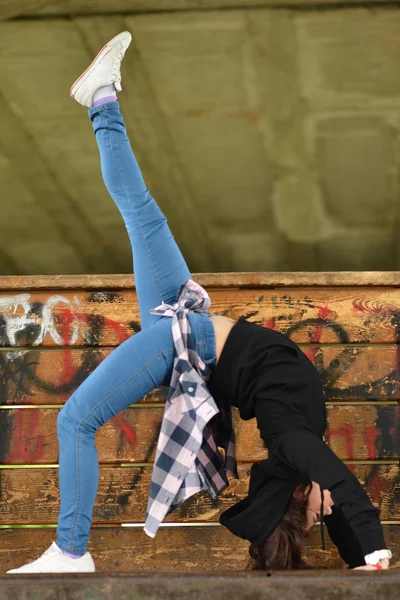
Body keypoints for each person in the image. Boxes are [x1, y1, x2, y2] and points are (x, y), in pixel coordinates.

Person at [7, 32, 391, 574]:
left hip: (187, 341)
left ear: (302, 490)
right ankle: (101, 98)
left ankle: (70, 551)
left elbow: (333, 482)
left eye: (315, 519)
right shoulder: (302, 443)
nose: (324, 514)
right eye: (323, 514)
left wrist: (368, 544)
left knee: (74, 421)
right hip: (189, 323)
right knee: (143, 214)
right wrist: (363, 554)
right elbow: (334, 487)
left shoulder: (293, 440)